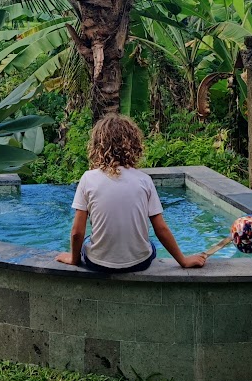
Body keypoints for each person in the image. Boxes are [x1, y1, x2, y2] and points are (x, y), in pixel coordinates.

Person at [56, 114, 208, 272]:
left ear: (97, 146)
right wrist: (183, 261)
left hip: (98, 264)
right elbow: (161, 229)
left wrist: (73, 259)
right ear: (134, 145)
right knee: (150, 244)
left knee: (88, 240)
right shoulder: (144, 180)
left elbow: (77, 232)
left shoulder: (88, 179)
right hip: (139, 263)